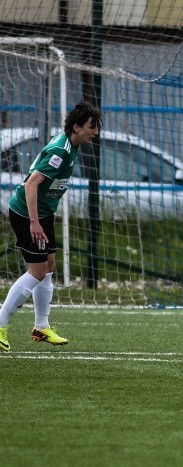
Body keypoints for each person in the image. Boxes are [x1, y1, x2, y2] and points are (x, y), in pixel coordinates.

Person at [0, 101, 103, 352]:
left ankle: (41, 327)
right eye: (92, 127)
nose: (96, 132)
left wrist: (47, 215)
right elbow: (31, 184)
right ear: (76, 128)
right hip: (27, 214)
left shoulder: (72, 146)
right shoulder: (61, 152)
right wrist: (35, 221)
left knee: (48, 265)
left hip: (42, 214)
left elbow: (50, 186)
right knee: (36, 272)